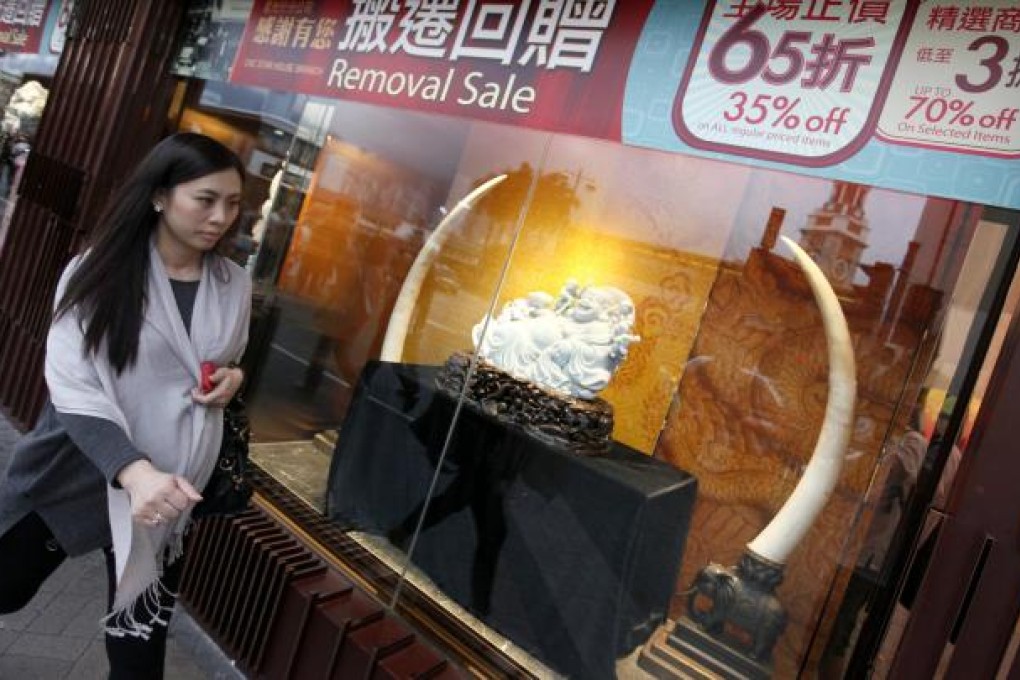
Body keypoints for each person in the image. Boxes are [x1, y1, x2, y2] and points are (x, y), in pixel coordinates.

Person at [0, 132, 251, 679]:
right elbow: (73, 384)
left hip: (167, 490)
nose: (221, 217)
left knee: (138, 646)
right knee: (7, 589)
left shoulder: (234, 284)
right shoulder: (100, 271)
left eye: (232, 204)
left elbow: (222, 359)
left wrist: (233, 377)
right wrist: (131, 471)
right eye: (205, 200)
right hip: (81, 469)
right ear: (160, 196)